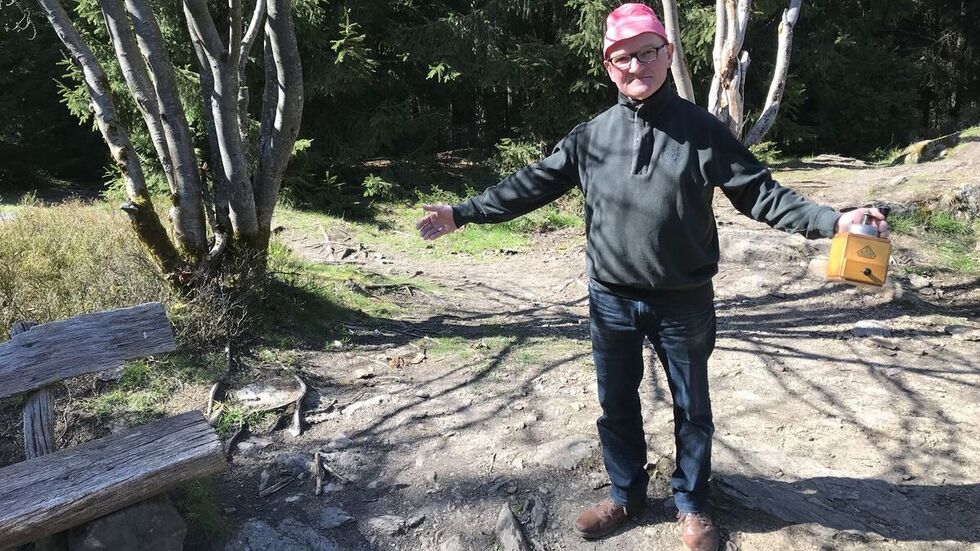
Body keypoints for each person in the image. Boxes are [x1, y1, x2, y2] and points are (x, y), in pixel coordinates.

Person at [416, 3, 888, 550]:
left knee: (692, 409)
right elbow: (531, 184)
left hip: (683, 302)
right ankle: (626, 495)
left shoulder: (703, 132)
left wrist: (834, 221)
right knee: (616, 403)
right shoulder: (591, 136)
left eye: (647, 52)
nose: (636, 65)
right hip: (611, 299)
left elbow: (761, 194)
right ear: (608, 66)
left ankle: (691, 503)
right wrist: (461, 213)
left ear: (667, 52)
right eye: (622, 57)